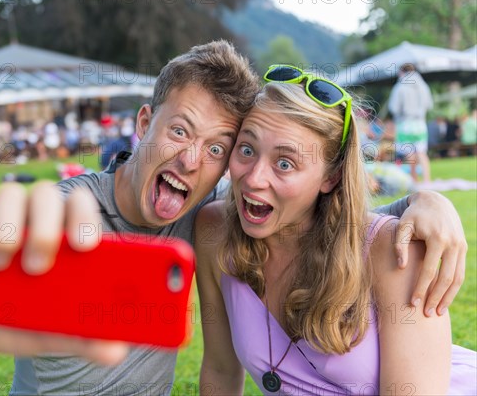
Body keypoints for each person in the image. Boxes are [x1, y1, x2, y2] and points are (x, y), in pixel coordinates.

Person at [0, 43, 467, 396]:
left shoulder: (210, 217)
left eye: (217, 148)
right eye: (180, 131)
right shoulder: (82, 210)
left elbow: (342, 218)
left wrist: (430, 204)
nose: (192, 160)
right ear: (144, 122)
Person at [195, 66, 475, 395]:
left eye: (285, 163)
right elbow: (220, 369)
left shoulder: (395, 251)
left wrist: (432, 199)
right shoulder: (215, 232)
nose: (254, 178)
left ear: (331, 178)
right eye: (247, 149)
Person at [388, 63, 433, 182]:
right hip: (420, 124)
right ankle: (427, 179)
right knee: (422, 152)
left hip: (405, 124)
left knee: (410, 153)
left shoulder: (400, 86)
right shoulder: (423, 86)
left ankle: (415, 179)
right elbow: (429, 104)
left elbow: (394, 107)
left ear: (401, 72)